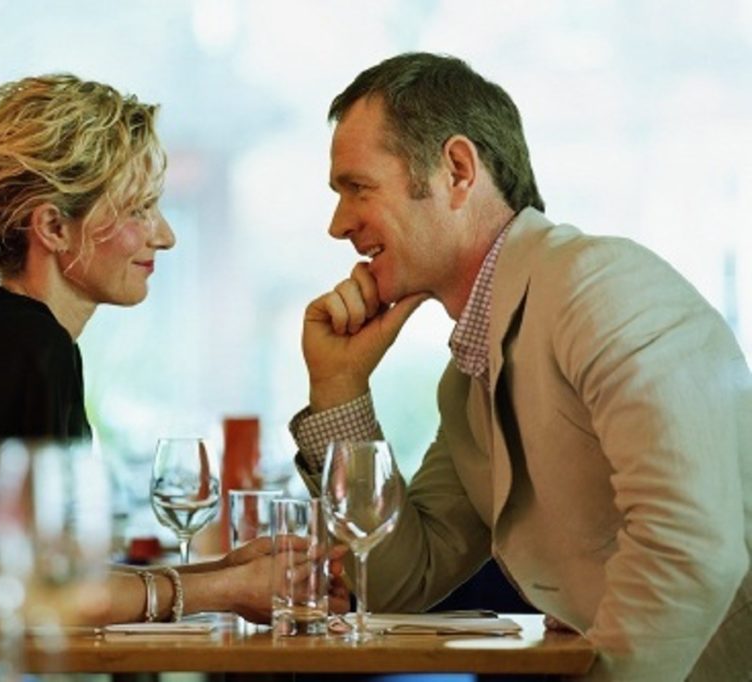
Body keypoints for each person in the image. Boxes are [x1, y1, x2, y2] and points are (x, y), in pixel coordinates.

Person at [0, 73, 347, 682]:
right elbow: (51, 596)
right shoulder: (26, 345)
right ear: (53, 228)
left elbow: (53, 575)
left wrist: (227, 572)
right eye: (139, 209)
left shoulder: (0, 330)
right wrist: (230, 587)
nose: (166, 235)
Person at [291, 52, 751, 681]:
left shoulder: (600, 285)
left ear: (456, 170)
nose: (338, 224)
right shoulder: (469, 378)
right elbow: (398, 578)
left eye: (357, 187)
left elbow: (693, 544)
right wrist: (339, 389)